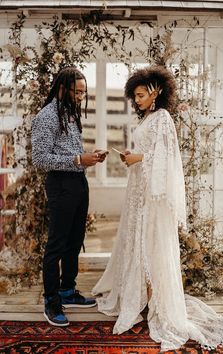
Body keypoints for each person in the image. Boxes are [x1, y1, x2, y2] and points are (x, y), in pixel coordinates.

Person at [92, 65, 223, 351]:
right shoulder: (148, 118)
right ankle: (142, 297)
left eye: (141, 95)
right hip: (139, 191)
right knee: (138, 244)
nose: (137, 100)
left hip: (153, 195)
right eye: (136, 96)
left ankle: (156, 304)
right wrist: (133, 157)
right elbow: (149, 154)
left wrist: (137, 158)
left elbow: (166, 157)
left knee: (152, 246)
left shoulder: (163, 117)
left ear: (156, 92)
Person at [32, 67, 108, 327]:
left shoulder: (71, 113)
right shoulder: (47, 116)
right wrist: (78, 159)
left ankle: (67, 291)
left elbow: (68, 151)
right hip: (61, 186)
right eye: (77, 92)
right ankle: (52, 301)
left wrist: (88, 156)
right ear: (62, 89)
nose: (80, 97)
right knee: (57, 245)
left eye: (83, 93)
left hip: (78, 182)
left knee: (75, 241)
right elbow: (40, 159)